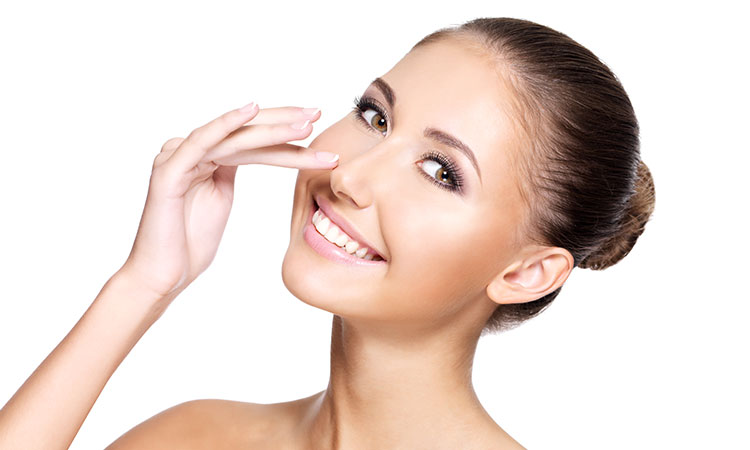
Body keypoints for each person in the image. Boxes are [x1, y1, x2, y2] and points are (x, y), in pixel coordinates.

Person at [0, 17, 655, 449]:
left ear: (525, 272)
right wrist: (144, 284)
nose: (349, 176)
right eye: (375, 117)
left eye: (440, 171)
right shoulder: (194, 436)